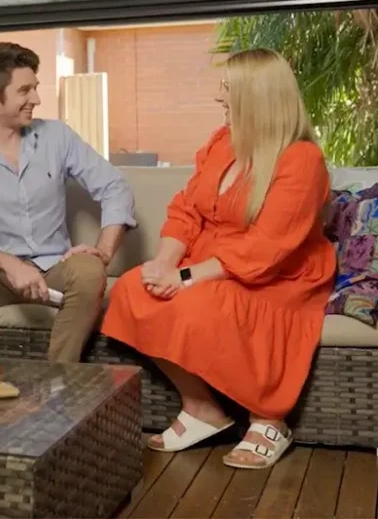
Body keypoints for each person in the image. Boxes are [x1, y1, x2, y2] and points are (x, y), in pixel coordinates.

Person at [101, 48, 336, 470]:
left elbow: (266, 250)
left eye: (227, 88)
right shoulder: (222, 142)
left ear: (256, 96)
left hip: (275, 276)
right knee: (132, 289)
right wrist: (165, 264)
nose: (219, 97)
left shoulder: (302, 160)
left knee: (196, 304)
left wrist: (186, 278)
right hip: (207, 261)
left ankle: (270, 419)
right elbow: (186, 209)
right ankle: (202, 407)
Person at [0, 42, 136, 362]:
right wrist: (9, 264)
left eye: (35, 89)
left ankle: (58, 382)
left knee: (90, 271)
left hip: (53, 270)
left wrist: (104, 251)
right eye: (24, 91)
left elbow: (114, 187)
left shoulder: (57, 137)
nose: (36, 99)